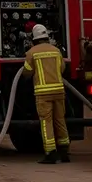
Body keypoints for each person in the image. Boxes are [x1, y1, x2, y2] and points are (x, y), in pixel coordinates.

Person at [22, 24, 70, 164]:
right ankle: (64, 151)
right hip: (59, 91)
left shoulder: (32, 52)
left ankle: (50, 153)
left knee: (46, 122)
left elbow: (27, 71)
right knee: (60, 120)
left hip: (43, 93)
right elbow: (62, 68)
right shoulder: (56, 51)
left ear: (34, 38)